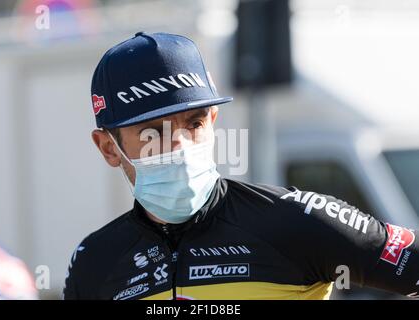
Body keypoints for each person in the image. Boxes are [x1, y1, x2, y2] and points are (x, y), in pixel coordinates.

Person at [63, 32, 419, 300]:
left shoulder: (296, 221)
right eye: (154, 132)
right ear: (109, 148)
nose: (180, 145)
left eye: (194, 123)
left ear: (214, 119)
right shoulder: (95, 261)